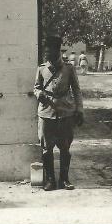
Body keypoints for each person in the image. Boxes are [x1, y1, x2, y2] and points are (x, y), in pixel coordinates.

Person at [34, 34, 84, 191]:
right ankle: (50, 180)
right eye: (46, 52)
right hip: (46, 113)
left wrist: (79, 109)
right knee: (47, 149)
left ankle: (64, 179)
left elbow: (76, 90)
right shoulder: (41, 68)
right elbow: (36, 87)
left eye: (51, 52)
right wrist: (39, 94)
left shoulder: (68, 68)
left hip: (65, 113)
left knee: (65, 148)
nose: (48, 55)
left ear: (57, 51)